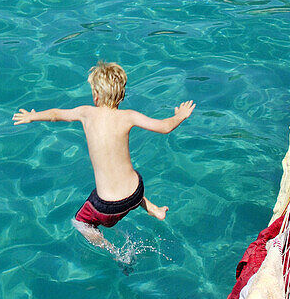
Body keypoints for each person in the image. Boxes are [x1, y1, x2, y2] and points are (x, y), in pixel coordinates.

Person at [12, 61, 195, 253]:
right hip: (136, 191)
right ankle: (155, 210)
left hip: (107, 208)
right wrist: (181, 115)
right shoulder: (129, 116)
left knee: (80, 222)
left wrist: (33, 116)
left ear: (96, 95)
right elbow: (165, 127)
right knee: (127, 179)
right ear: (121, 95)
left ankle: (114, 252)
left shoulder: (86, 113)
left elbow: (56, 114)